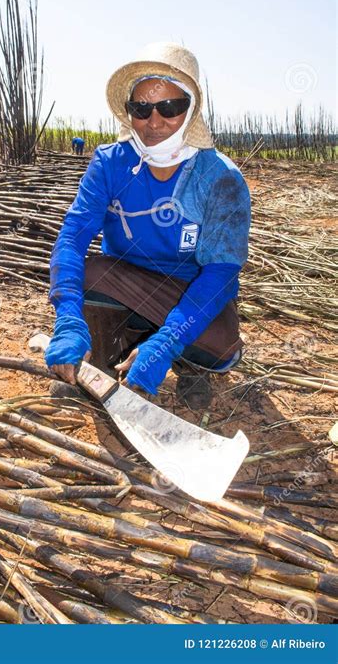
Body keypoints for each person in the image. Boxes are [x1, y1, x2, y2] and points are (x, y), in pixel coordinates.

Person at [45, 42, 251, 410]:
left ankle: (188, 365)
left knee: (220, 346)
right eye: (141, 108)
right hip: (125, 280)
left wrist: (169, 339)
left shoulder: (219, 176)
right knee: (88, 272)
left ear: (191, 110)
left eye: (170, 108)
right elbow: (72, 239)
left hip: (191, 290)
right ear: (129, 113)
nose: (154, 122)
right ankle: (101, 358)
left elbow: (221, 270)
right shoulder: (110, 162)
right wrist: (67, 317)